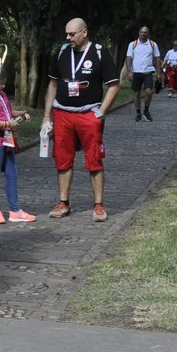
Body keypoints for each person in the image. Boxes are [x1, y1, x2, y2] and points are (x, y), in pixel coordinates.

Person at [41, 18, 119, 223]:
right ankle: (63, 203)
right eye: (66, 34)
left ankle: (99, 206)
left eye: (72, 34)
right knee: (62, 159)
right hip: (62, 114)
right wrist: (47, 116)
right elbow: (52, 85)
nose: (67, 38)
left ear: (84, 32)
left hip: (88, 114)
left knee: (94, 159)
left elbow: (114, 85)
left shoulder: (100, 52)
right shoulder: (62, 52)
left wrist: (100, 112)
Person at [0, 78, 33, 223]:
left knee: (12, 173)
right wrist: (6, 123)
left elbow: (8, 111)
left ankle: (15, 209)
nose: (4, 86)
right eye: (1, 83)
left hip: (7, 140)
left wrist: (21, 114)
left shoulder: (2, 95)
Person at [125, 26, 161, 122]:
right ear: (139, 33)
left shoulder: (153, 44)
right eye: (141, 32)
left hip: (148, 72)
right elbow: (128, 58)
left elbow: (157, 58)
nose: (143, 34)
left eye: (145, 32)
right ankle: (138, 113)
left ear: (148, 34)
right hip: (136, 72)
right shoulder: (133, 44)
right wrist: (129, 72)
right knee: (136, 94)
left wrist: (158, 73)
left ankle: (146, 111)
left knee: (149, 92)